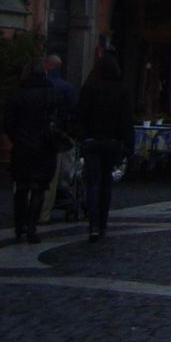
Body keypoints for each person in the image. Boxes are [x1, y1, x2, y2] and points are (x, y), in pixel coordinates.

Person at [77, 54, 135, 241]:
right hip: (113, 142)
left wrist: (82, 137)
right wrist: (128, 146)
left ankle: (93, 224)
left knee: (93, 183)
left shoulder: (89, 88)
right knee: (106, 184)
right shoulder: (122, 90)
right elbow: (126, 121)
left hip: (92, 141)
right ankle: (102, 223)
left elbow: (80, 116)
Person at [4, 59, 56, 242]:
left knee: (22, 187)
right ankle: (32, 228)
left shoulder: (17, 95)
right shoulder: (51, 94)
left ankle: (20, 226)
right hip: (44, 146)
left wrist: (16, 138)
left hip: (22, 146)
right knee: (39, 188)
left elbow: (8, 123)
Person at [38, 53, 78, 225]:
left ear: (47, 66)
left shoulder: (39, 87)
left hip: (38, 136)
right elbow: (74, 111)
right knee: (60, 174)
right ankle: (48, 208)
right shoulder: (66, 87)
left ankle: (34, 211)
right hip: (60, 137)